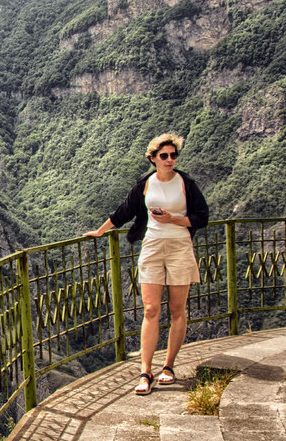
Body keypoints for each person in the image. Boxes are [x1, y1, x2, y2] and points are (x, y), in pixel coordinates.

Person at [84, 133, 209, 395]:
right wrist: (99, 231)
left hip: (179, 247)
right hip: (152, 247)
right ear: (153, 158)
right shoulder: (145, 184)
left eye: (173, 155)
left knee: (177, 309)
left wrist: (173, 219)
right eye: (164, 156)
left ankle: (169, 366)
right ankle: (145, 371)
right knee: (151, 309)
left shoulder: (186, 183)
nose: (170, 160)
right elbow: (123, 211)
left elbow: (202, 217)